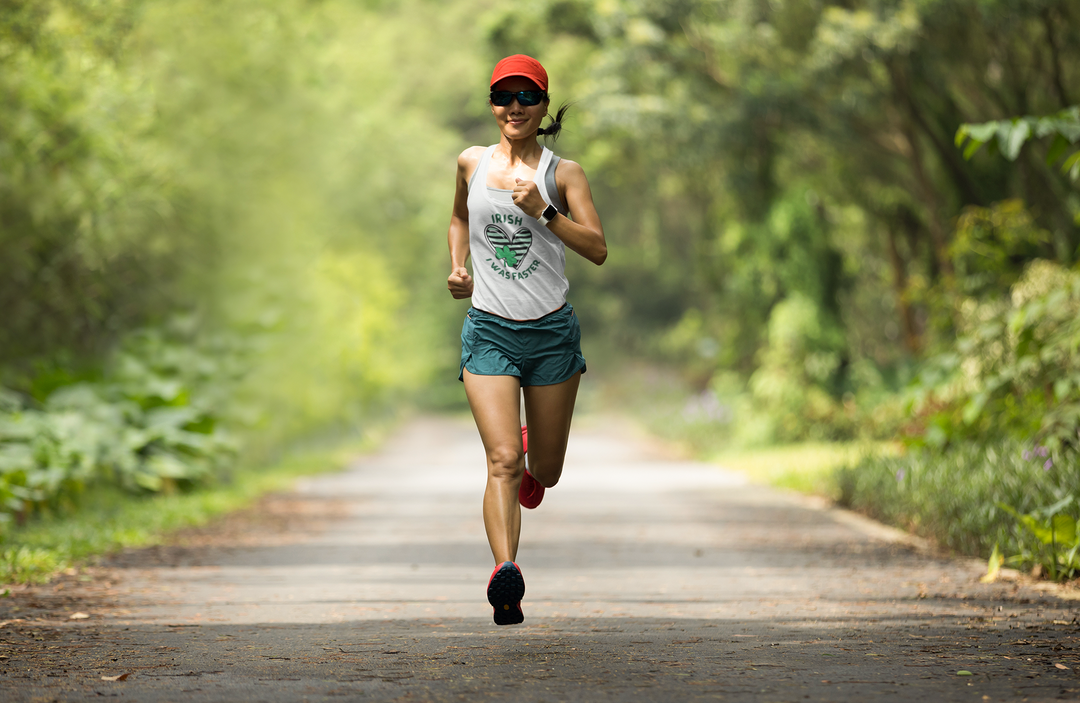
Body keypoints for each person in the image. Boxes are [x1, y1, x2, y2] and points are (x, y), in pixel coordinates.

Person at [446, 54, 607, 626]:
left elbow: (597, 248)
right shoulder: (470, 163)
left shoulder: (565, 174)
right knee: (502, 460)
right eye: (502, 96)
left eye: (526, 97)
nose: (513, 107)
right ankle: (505, 574)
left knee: (547, 469)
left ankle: (532, 449)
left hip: (551, 335)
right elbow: (460, 219)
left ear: (542, 107)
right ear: (491, 104)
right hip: (489, 328)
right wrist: (459, 267)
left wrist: (545, 212)